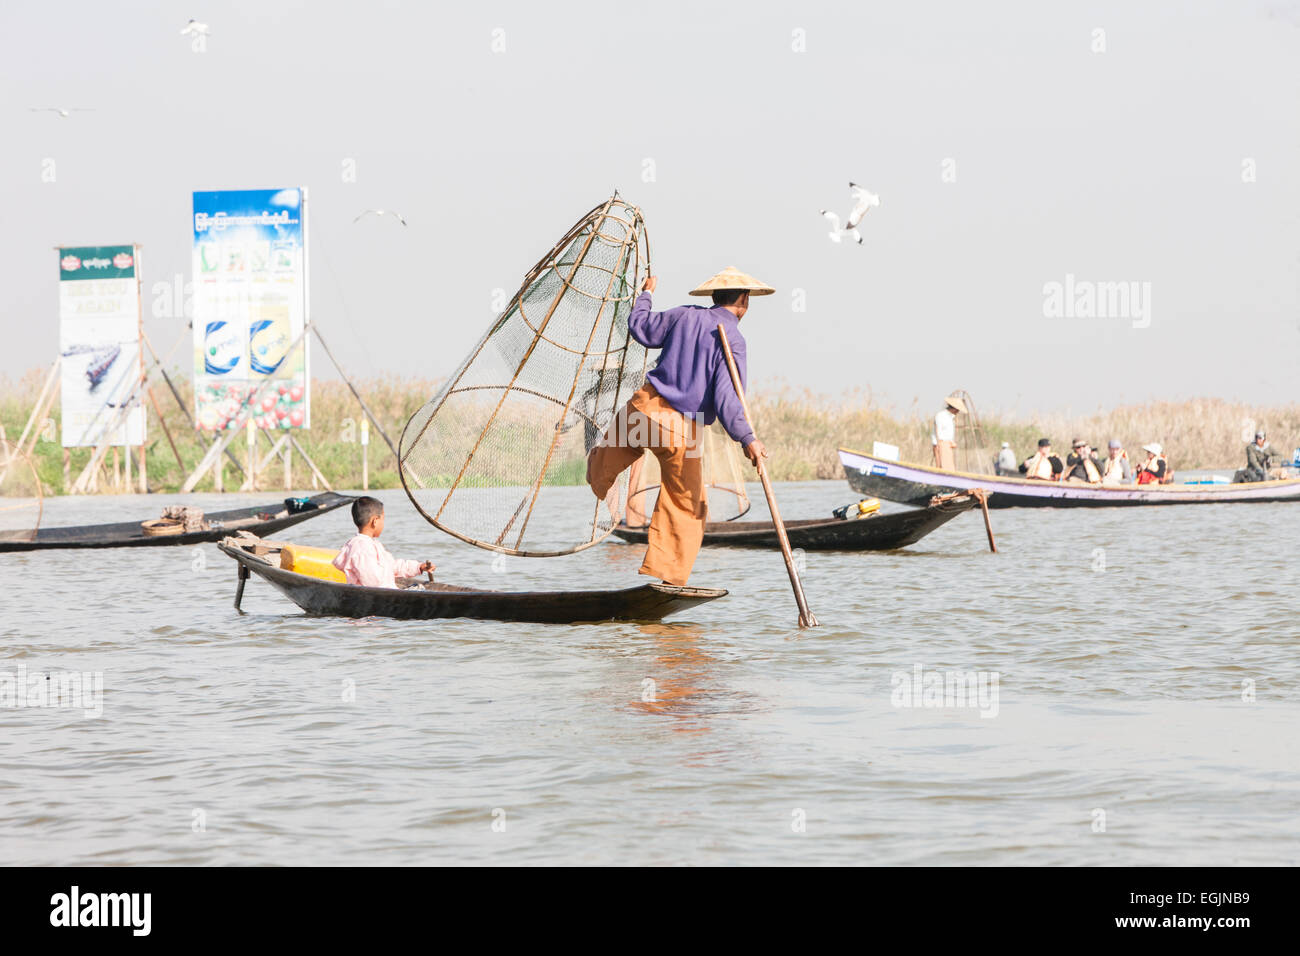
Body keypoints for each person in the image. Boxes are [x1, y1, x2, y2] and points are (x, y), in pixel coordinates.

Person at [586, 266, 772, 586]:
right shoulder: (733, 338)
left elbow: (641, 328)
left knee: (612, 451)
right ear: (743, 301)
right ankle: (668, 577)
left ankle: (596, 479)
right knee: (687, 506)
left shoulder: (683, 315)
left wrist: (646, 295)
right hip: (684, 429)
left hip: (642, 408)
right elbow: (729, 400)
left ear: (714, 297)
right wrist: (748, 439)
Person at [332, 496, 434, 588]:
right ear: (375, 521)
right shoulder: (361, 547)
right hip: (376, 597)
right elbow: (372, 581)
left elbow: (392, 566)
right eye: (383, 519)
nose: (383, 523)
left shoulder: (372, 544)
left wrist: (418, 567)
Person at [931, 395, 965, 471]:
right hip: (941, 444)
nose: (958, 411)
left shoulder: (950, 418)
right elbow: (938, 432)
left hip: (947, 445)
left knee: (947, 468)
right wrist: (939, 445)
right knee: (943, 469)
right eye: (958, 409)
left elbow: (947, 433)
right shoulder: (941, 415)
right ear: (954, 408)